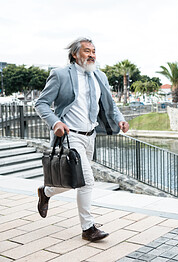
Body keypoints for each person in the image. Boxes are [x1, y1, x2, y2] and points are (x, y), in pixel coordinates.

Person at [35, 37, 129, 242]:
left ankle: (46, 191)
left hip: (90, 136)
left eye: (94, 51)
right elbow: (41, 103)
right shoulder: (60, 75)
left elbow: (110, 103)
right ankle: (88, 228)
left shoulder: (99, 75)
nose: (92, 55)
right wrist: (55, 123)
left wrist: (120, 119)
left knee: (74, 180)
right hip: (70, 137)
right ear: (75, 54)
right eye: (87, 51)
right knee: (86, 181)